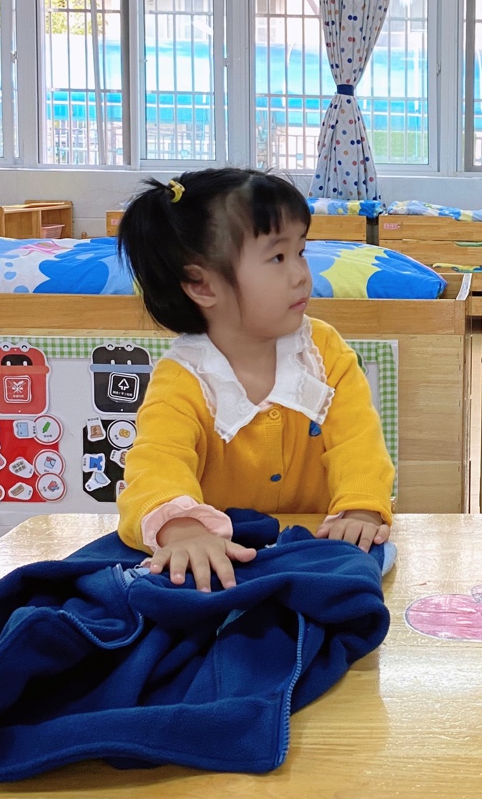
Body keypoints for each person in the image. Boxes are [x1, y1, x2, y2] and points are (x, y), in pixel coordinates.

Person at [114, 168, 394, 591]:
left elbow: (358, 443)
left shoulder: (322, 351)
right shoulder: (184, 380)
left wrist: (360, 508)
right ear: (202, 285)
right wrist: (183, 530)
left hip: (315, 551)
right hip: (226, 566)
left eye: (301, 251)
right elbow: (156, 465)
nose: (301, 274)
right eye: (278, 258)